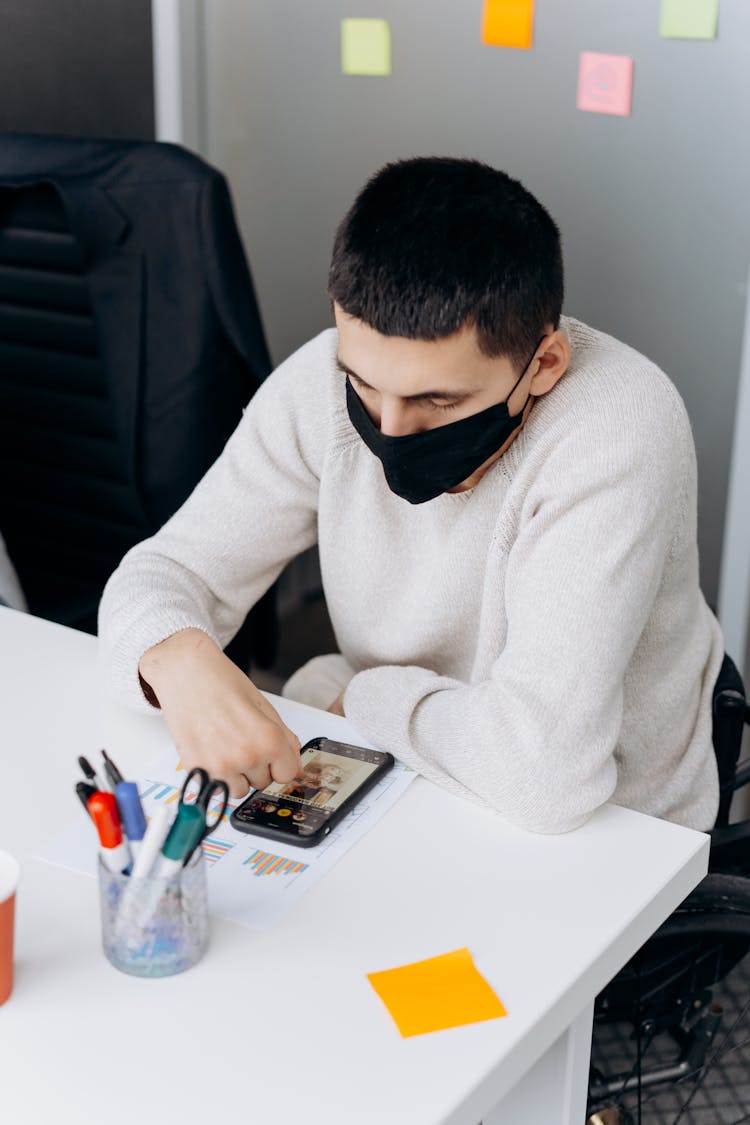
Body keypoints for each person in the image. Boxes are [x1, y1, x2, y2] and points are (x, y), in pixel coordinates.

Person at [98, 156, 724, 834]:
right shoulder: (321, 381)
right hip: (409, 769)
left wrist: (359, 693)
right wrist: (179, 654)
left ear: (542, 365)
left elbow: (544, 772)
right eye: (363, 383)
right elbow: (162, 573)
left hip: (617, 830)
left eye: (434, 398)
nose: (388, 430)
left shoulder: (617, 425)